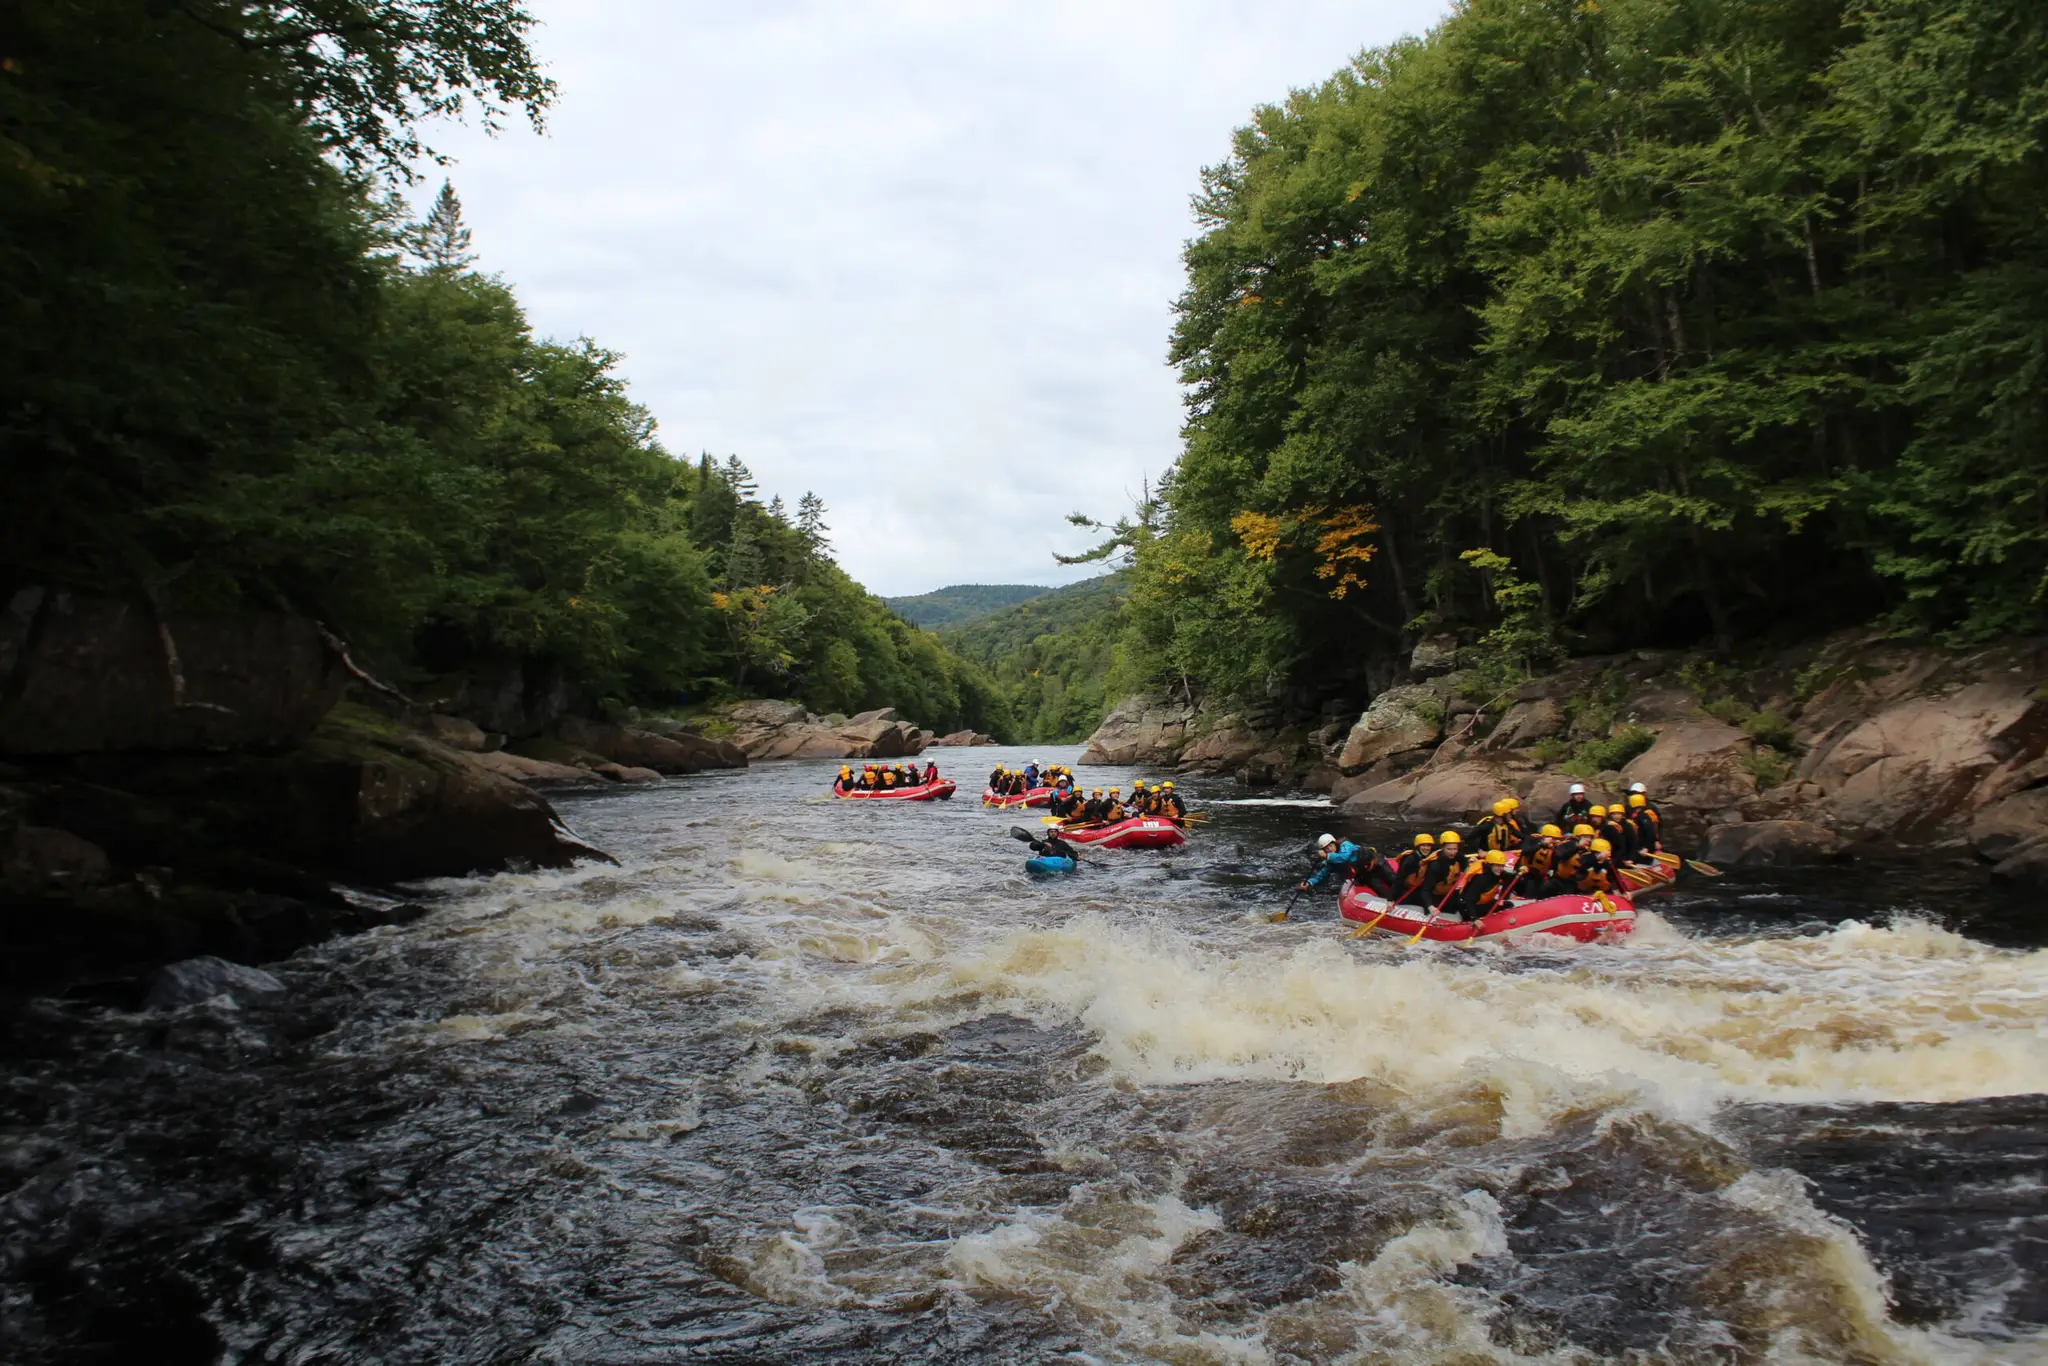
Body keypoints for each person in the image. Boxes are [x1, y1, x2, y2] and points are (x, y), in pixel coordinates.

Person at [1455, 848, 1515, 920]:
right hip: (1468, 907)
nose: (1501, 868)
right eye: (1497, 866)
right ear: (1490, 865)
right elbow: (1469, 900)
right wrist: (1474, 918)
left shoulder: (1497, 872)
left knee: (1508, 904)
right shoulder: (1481, 878)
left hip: (1483, 903)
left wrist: (1501, 897)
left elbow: (1509, 878)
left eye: (1502, 866)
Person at [1419, 831, 1466, 906]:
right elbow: (1426, 890)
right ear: (1442, 848)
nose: (1453, 852)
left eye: (1455, 849)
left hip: (1451, 891)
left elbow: (1466, 868)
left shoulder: (1459, 857)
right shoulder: (1435, 866)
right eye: (1449, 849)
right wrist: (1430, 907)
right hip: (1435, 896)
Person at [1390, 832, 1435, 902]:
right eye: (1423, 845)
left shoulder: (1431, 858)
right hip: (1407, 890)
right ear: (1418, 846)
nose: (1426, 848)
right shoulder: (1410, 859)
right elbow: (1399, 879)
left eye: (1428, 846)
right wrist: (1391, 899)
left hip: (1421, 888)